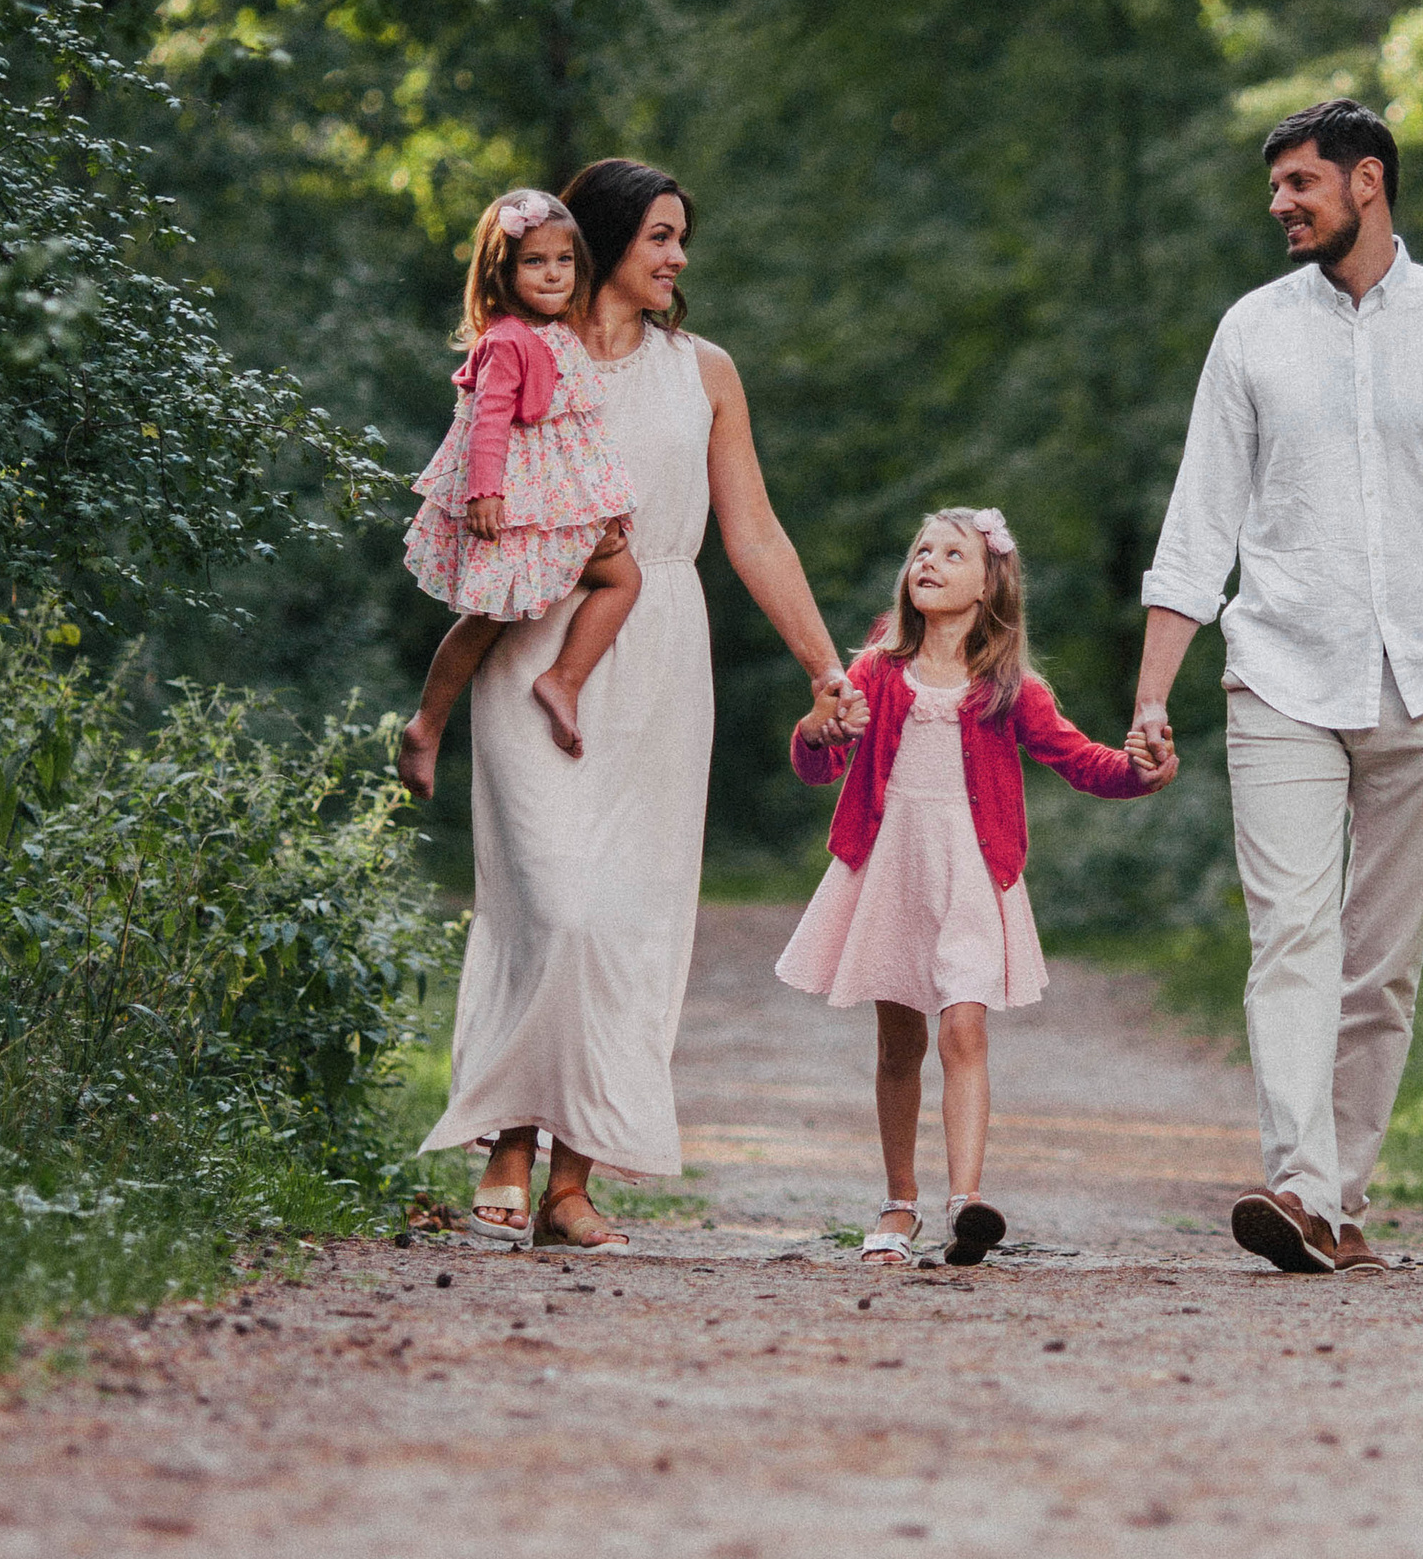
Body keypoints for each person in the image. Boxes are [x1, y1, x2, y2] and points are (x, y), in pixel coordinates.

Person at [1129, 101, 1423, 1277]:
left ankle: (1340, 1196)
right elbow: (1198, 518)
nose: (1280, 204)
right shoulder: (1251, 332)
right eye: (1275, 188)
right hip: (1281, 674)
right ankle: (1299, 1186)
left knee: (1384, 957)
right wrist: (1153, 692)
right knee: (1291, 935)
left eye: (1302, 184)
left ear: (1369, 182)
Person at [421, 157, 865, 1251]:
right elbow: (467, 485)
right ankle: (508, 1133)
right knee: (552, 902)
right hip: (538, 637)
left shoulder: (704, 370)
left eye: (683, 241)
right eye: (661, 236)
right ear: (610, 238)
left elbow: (752, 528)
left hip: (660, 641)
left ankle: (571, 1181)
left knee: (629, 919)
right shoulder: (527, 353)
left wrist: (822, 664)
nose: (676, 259)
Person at [779, 507, 1176, 1264]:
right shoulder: (874, 671)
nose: (928, 562)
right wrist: (813, 729)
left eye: (952, 554)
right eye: (922, 551)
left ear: (991, 586)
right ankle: (901, 1204)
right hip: (890, 869)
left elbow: (1081, 760)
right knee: (900, 1042)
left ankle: (967, 1201)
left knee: (964, 1025)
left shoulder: (1009, 689)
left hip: (969, 875)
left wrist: (1140, 772)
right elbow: (821, 765)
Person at [397, 189, 639, 780]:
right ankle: (426, 725)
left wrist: (601, 515)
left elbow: (578, 443)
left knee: (622, 578)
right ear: (502, 273)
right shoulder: (507, 340)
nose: (554, 273)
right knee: (491, 616)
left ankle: (561, 679)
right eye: (534, 261)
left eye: (565, 260)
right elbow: (487, 420)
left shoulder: (560, 333)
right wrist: (484, 492)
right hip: (515, 504)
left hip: (557, 504)